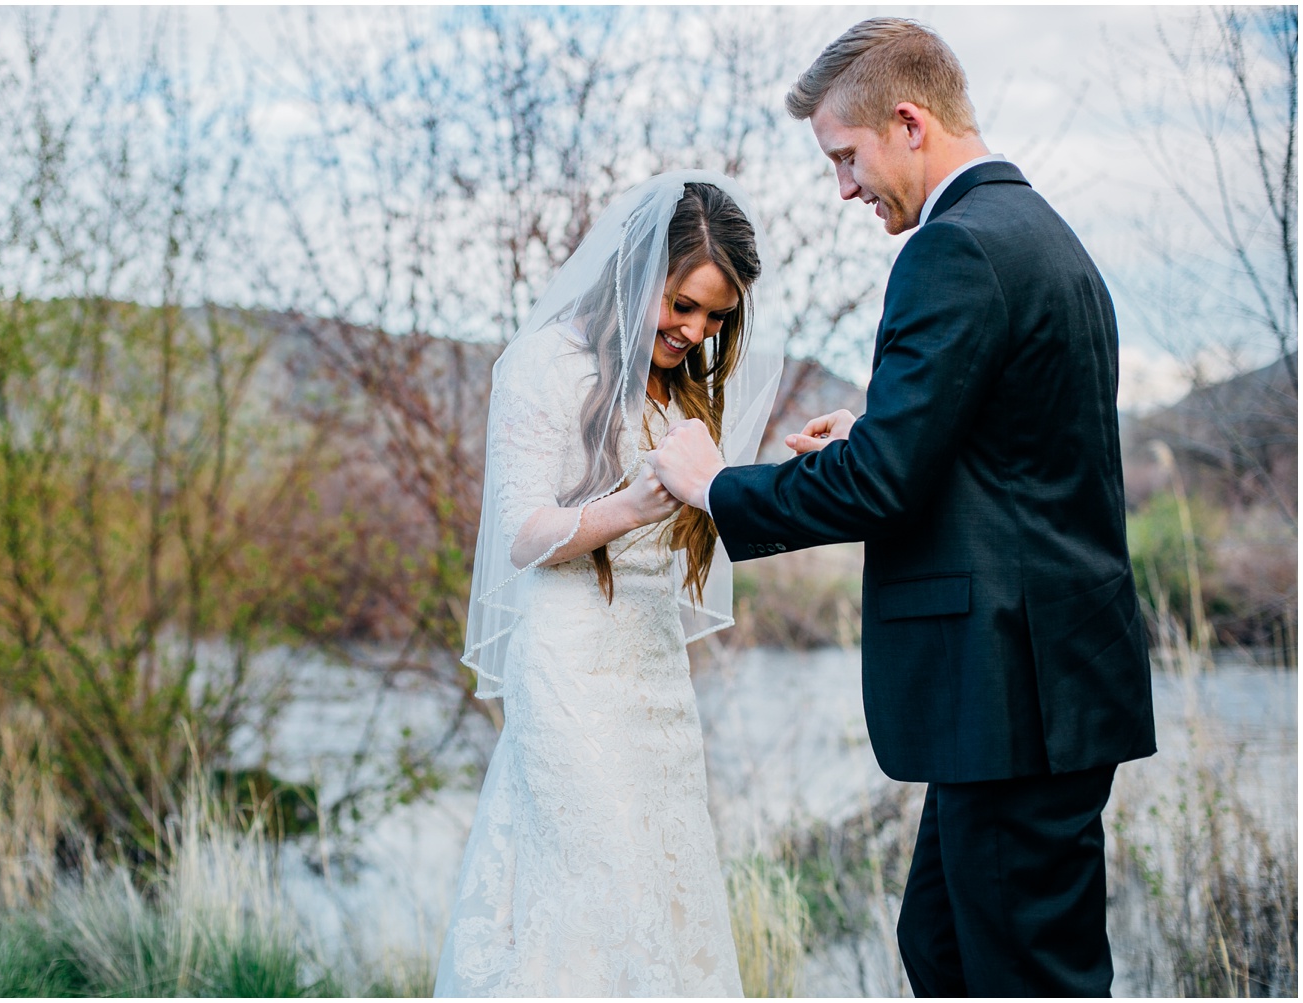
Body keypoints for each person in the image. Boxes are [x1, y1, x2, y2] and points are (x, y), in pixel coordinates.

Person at [651, 18, 1156, 997]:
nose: (843, 186)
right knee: (944, 950)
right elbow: (1025, 457)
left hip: (1012, 698)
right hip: (1044, 688)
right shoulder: (1044, 237)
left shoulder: (953, 251)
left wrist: (714, 486)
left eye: (846, 156)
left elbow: (882, 484)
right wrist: (883, 428)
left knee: (1018, 976)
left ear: (909, 123)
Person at [435, 172, 783, 997]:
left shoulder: (682, 388)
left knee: (664, 885)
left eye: (714, 316)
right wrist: (624, 506)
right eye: (681, 303)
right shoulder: (547, 364)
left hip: (656, 675)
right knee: (594, 890)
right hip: (570, 669)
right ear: (636, 274)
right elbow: (523, 534)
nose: (694, 330)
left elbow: (705, 510)